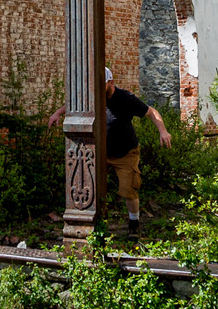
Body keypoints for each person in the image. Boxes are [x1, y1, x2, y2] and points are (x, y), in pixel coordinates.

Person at [49, 66, 172, 237]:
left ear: (111, 83)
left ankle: (134, 223)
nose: (97, 87)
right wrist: (57, 114)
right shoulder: (92, 96)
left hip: (125, 152)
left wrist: (163, 130)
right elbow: (72, 104)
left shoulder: (125, 98)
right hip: (99, 152)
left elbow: (151, 112)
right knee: (91, 187)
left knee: (128, 189)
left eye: (102, 83)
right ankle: (96, 225)